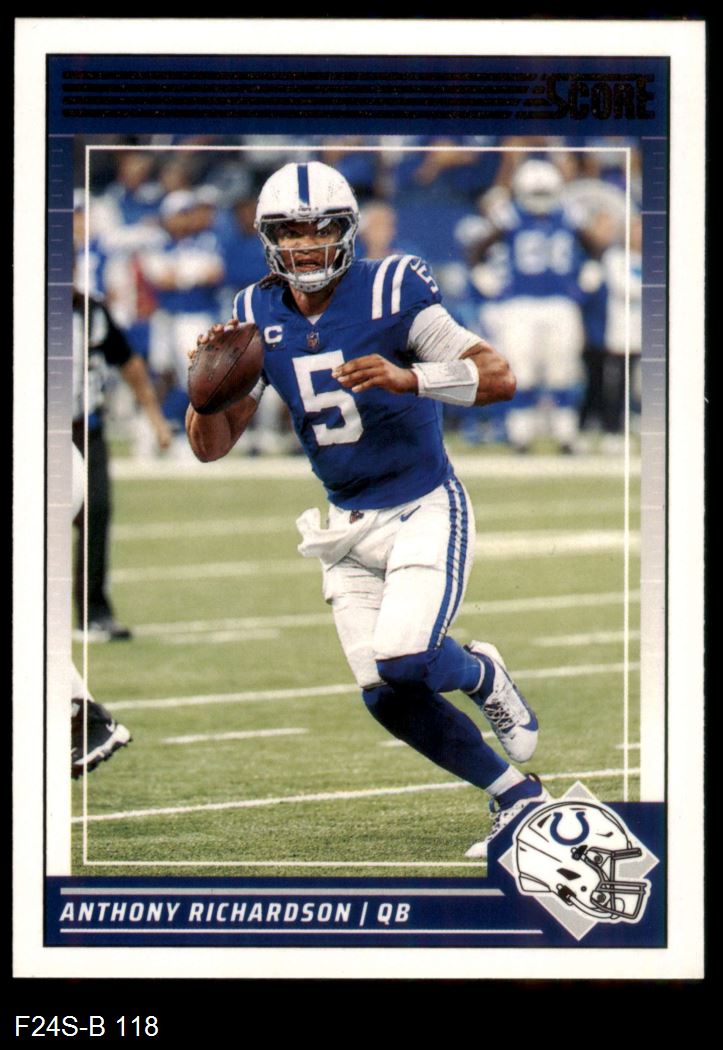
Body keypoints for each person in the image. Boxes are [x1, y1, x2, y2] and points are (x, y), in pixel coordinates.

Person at [186, 161, 550, 859]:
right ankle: (517, 797)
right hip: (345, 526)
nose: (304, 247)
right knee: (385, 694)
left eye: (318, 230)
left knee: (407, 657)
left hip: (421, 506)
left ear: (346, 231)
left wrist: (409, 378)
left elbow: (499, 375)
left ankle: (479, 672)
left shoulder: (394, 286)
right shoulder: (255, 310)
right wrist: (202, 394)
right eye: (289, 233)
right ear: (268, 240)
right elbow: (211, 446)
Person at [72, 289, 172, 640]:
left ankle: (94, 613)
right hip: (38, 432)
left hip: (87, 429)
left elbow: (129, 362)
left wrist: (156, 419)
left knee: (96, 513)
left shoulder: (93, 311)